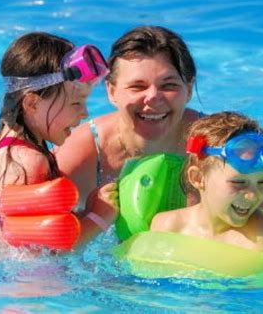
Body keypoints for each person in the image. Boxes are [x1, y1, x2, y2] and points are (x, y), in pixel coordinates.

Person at [55, 26, 201, 241]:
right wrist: (95, 217)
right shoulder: (83, 153)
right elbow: (34, 246)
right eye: (137, 86)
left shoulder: (214, 140)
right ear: (112, 91)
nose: (152, 97)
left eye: (168, 85)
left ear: (189, 89)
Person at [0, 32, 117, 248]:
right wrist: (100, 217)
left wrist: (87, 211)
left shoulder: (6, 143)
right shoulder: (30, 163)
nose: (85, 113)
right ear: (31, 103)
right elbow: (50, 251)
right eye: (76, 104)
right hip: (36, 280)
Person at [150, 112, 263, 251]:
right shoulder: (167, 227)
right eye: (239, 183)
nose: (253, 195)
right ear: (198, 178)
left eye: (262, 182)